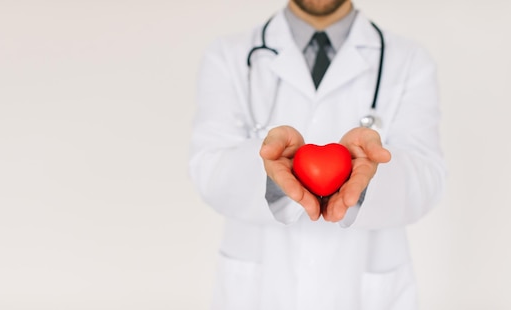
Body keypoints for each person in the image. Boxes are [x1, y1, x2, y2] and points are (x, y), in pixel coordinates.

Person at [189, 0, 445, 309]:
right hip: (260, 292)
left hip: (365, 291)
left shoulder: (409, 60)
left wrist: (367, 177)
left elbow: (427, 181)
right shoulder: (228, 56)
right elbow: (208, 171)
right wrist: (272, 169)